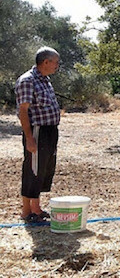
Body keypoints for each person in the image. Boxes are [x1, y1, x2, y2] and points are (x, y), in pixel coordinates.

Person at [15, 46, 61, 223]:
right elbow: (23, 111)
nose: (57, 65)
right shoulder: (28, 80)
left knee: (43, 169)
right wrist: (29, 137)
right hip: (37, 131)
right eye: (55, 62)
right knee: (32, 169)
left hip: (50, 130)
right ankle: (26, 212)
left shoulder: (45, 80)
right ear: (46, 62)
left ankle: (36, 209)